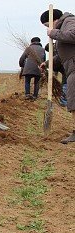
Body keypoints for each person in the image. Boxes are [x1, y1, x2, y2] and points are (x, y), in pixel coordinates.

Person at [42, 9, 75, 143]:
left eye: (47, 25)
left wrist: (53, 33)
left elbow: (73, 35)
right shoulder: (64, 25)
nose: (48, 28)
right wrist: (48, 63)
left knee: (74, 100)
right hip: (71, 67)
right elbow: (63, 56)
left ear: (53, 20)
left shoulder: (69, 21)